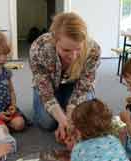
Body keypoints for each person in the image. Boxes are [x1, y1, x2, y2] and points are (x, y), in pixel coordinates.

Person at [29, 12, 101, 141]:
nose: (73, 56)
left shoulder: (93, 50)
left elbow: (83, 87)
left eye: (78, 49)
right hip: (48, 85)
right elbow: (45, 91)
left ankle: (63, 105)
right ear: (55, 41)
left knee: (84, 119)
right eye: (66, 50)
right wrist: (64, 121)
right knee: (48, 122)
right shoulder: (39, 48)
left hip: (75, 85)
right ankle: (54, 107)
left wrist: (70, 113)